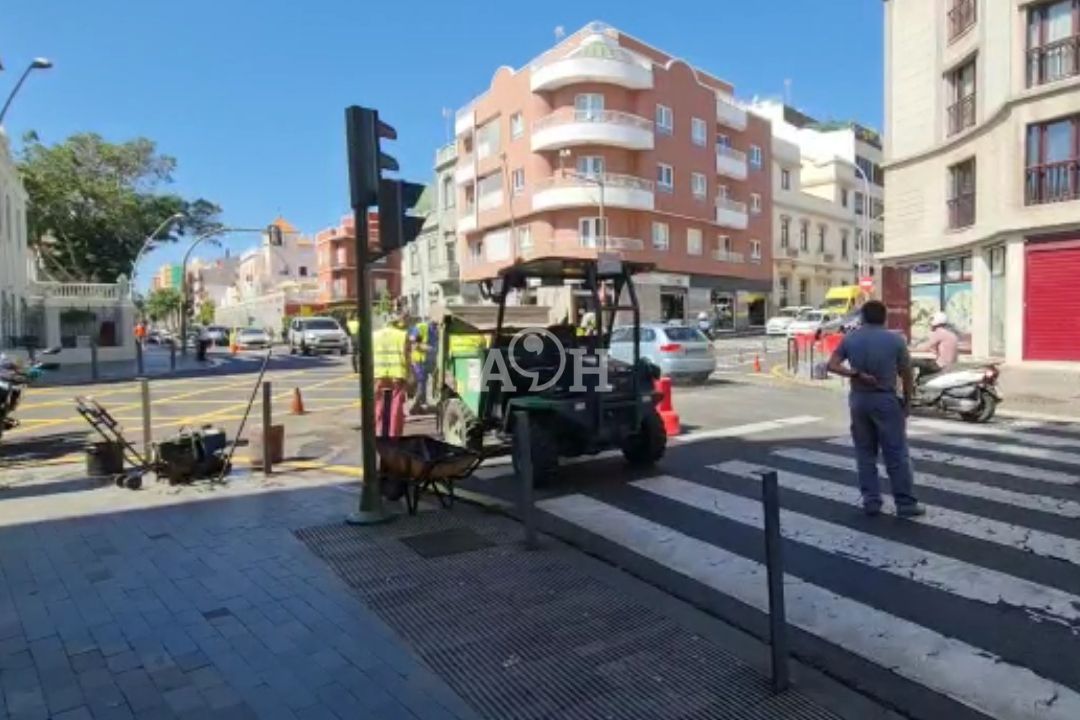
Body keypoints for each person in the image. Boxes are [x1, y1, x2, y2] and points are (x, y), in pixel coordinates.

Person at [827, 300, 925, 518]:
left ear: (862, 318)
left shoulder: (850, 339)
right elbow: (907, 374)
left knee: (865, 453)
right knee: (896, 453)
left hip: (859, 400)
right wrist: (907, 402)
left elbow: (832, 365)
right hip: (885, 400)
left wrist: (855, 374)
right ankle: (905, 504)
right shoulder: (895, 340)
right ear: (884, 318)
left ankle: (871, 501)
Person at [371, 310, 412, 437]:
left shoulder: (374, 335)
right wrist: (410, 375)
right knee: (396, 406)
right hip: (397, 374)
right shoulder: (402, 335)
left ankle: (378, 431)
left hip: (378, 374)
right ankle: (394, 433)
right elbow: (407, 356)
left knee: (378, 403)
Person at [912, 312, 958, 380]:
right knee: (923, 365)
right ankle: (919, 381)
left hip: (940, 365)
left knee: (910, 361)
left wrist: (907, 349)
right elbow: (938, 348)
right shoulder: (951, 333)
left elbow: (924, 347)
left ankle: (908, 384)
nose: (930, 323)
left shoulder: (939, 332)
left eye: (931, 320)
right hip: (950, 365)